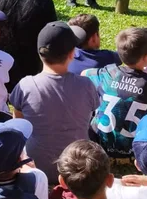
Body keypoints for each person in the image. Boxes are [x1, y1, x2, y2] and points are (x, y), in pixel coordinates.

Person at [10, 22, 100, 184]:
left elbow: (19, 126)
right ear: (72, 54)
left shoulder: (25, 85)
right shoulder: (86, 85)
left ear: (39, 53)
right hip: (76, 169)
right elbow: (90, 116)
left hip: (36, 169)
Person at [85, 27, 147, 162]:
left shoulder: (107, 73)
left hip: (98, 147)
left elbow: (84, 73)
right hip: (131, 152)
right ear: (146, 57)